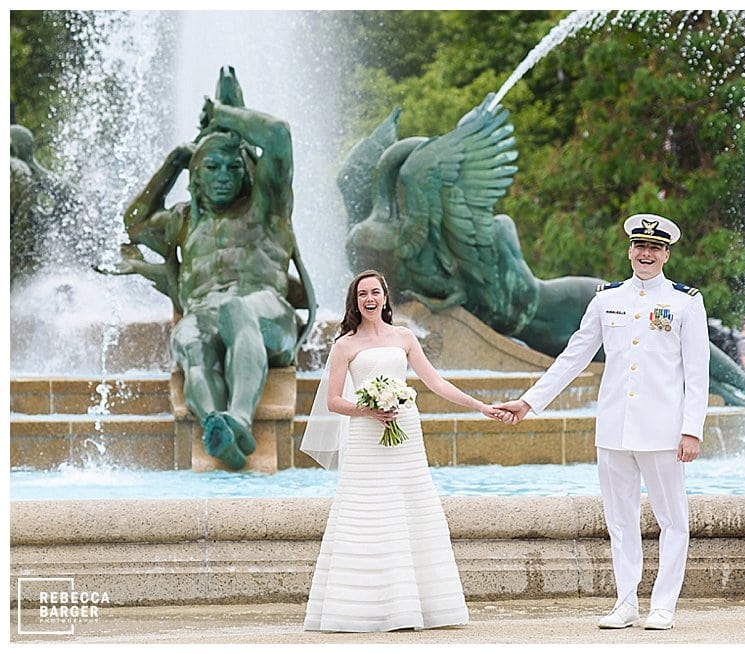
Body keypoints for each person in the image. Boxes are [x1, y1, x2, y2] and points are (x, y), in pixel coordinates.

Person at [496, 213, 710, 631]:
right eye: (639, 246)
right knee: (620, 520)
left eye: (654, 248)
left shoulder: (686, 302)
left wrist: (692, 428)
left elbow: (696, 372)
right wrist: (529, 402)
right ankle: (626, 601)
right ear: (630, 250)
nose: (645, 254)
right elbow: (573, 359)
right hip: (614, 428)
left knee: (673, 520)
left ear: (666, 254)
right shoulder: (607, 299)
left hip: (664, 430)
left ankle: (663, 605)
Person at [301, 270, 508, 632]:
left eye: (375, 292)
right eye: (363, 293)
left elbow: (435, 382)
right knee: (368, 513)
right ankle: (362, 608)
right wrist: (369, 410)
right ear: (355, 300)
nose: (370, 298)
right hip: (366, 435)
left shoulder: (404, 337)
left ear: (385, 297)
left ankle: (418, 607)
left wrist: (480, 405)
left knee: (412, 508)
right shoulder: (344, 345)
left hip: (406, 432)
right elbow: (334, 401)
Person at [121, 93, 313, 470]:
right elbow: (136, 223)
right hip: (203, 313)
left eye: (232, 167)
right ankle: (215, 426)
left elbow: (277, 134)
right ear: (196, 176)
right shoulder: (182, 220)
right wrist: (175, 160)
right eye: (212, 167)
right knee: (191, 338)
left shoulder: (266, 211)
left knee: (235, 308)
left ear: (246, 173)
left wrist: (222, 115)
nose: (224, 175)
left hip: (267, 316)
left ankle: (240, 419)